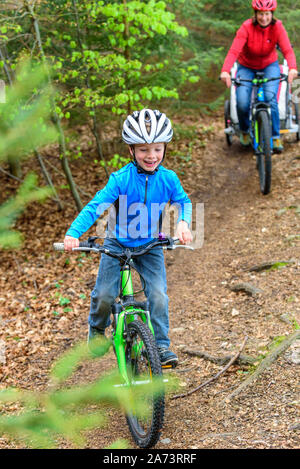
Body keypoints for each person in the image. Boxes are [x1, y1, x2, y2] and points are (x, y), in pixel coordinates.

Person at [64, 108, 193, 367]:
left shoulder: (168, 179)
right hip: (117, 242)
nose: (151, 155)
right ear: (131, 151)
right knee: (104, 295)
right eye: (144, 149)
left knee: (158, 295)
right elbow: (96, 206)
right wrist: (73, 233)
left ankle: (161, 345)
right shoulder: (120, 179)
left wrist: (183, 222)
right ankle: (98, 329)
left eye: (157, 149)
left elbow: (184, 201)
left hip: (150, 245)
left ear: (165, 148)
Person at [220, 0, 298, 152]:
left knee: (270, 98)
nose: (264, 18)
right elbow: (234, 51)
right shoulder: (246, 27)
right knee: (242, 101)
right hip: (246, 66)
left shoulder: (277, 27)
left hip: (270, 65)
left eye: (267, 14)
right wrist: (225, 70)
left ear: (272, 14)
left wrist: (293, 68)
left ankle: (275, 136)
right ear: (255, 14)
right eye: (261, 14)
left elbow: (287, 50)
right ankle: (244, 131)